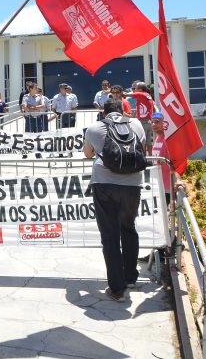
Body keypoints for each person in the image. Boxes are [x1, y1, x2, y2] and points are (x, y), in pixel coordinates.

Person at [83, 99, 146, 302]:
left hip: (104, 183)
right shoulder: (135, 124)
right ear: (122, 111)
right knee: (128, 228)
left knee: (110, 235)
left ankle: (117, 288)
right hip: (132, 184)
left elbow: (87, 154)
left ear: (104, 112)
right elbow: (142, 148)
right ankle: (130, 278)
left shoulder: (94, 128)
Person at [150, 112, 183, 203]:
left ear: (164, 123)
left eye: (157, 122)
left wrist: (178, 180)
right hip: (158, 186)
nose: (153, 124)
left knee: (169, 215)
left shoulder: (168, 140)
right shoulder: (157, 139)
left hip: (169, 188)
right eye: (152, 122)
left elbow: (179, 162)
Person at [127, 82, 158, 155]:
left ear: (140, 89)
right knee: (148, 142)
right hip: (149, 122)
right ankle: (150, 158)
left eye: (135, 88)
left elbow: (125, 94)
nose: (134, 90)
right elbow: (154, 106)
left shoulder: (140, 94)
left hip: (143, 122)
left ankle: (143, 158)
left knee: (142, 141)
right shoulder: (148, 95)